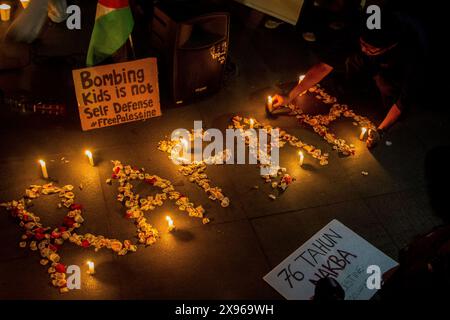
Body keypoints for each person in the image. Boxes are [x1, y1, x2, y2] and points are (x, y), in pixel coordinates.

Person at [270, 11, 426, 149]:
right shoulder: (360, 30)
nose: (365, 49)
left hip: (400, 69)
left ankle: (381, 98)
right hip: (375, 60)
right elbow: (324, 66)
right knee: (352, 62)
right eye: (363, 44)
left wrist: (380, 131)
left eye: (371, 48)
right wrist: (290, 96)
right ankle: (362, 86)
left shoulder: (410, 55)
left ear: (389, 47)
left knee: (387, 89)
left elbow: (402, 102)